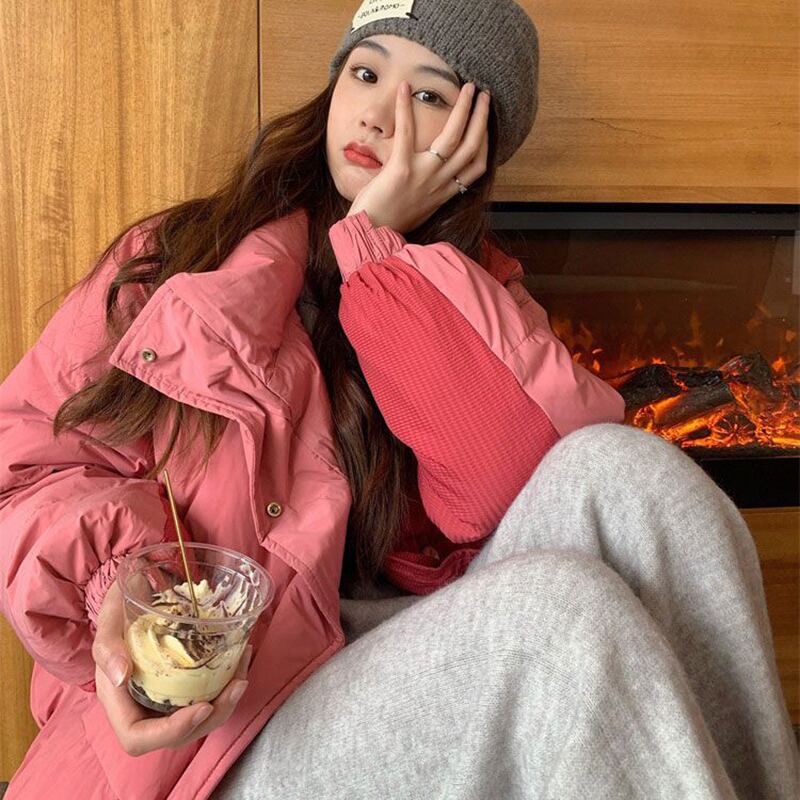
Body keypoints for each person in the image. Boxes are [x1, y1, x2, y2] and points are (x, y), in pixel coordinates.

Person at [0, 0, 796, 797]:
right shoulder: (183, 258)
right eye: (365, 72)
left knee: (631, 472)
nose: (380, 115)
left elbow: (496, 488)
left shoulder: (490, 300)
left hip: (397, 668)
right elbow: (25, 465)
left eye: (428, 95)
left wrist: (375, 251)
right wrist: (118, 586)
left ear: (473, 147)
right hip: (227, 729)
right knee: (555, 620)